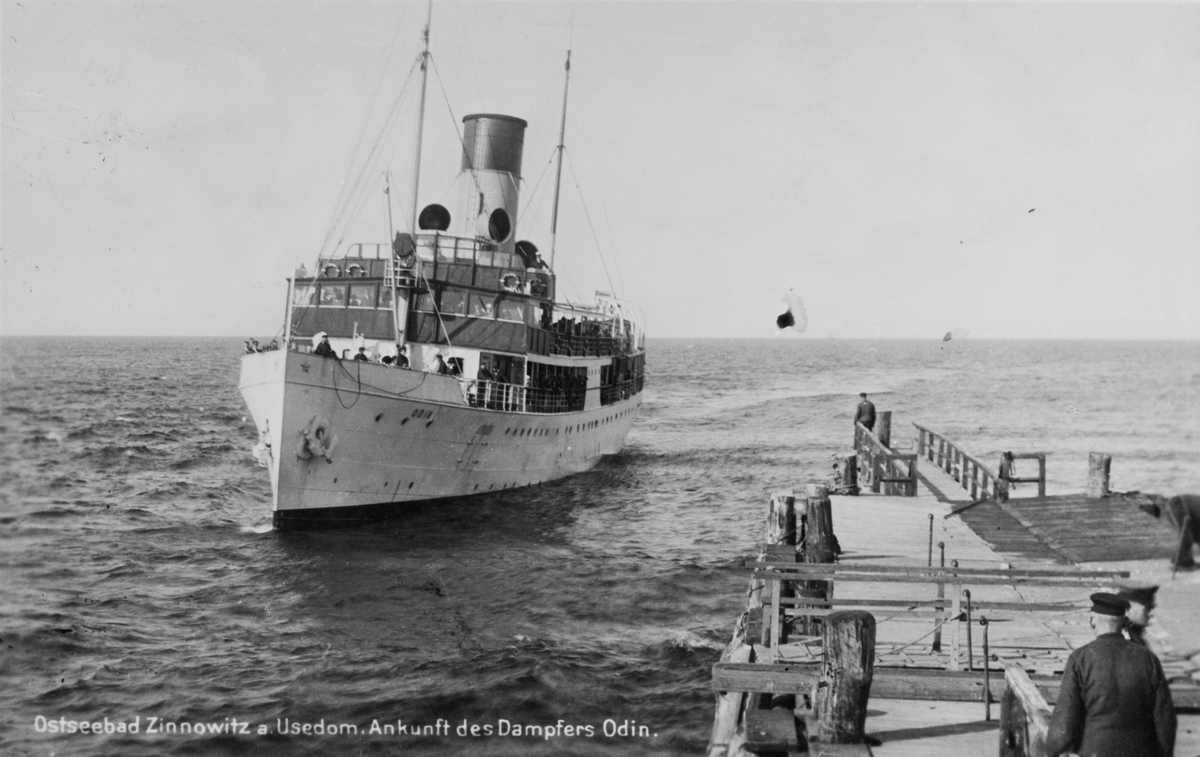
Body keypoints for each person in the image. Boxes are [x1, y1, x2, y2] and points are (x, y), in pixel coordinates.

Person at [1044, 592, 1176, 757]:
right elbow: (1165, 720)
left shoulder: (1080, 659)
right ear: (1122, 622)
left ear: (1093, 620)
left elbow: (1063, 727)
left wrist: (1049, 751)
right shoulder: (1147, 659)